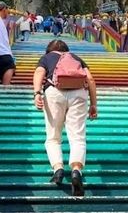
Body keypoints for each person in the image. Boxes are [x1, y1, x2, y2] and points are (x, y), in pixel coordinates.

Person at [32, 39, 98, 198]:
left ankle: (58, 169)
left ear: (49, 50)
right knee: (77, 137)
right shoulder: (75, 58)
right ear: (66, 50)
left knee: (53, 136)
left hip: (54, 92)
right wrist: (93, 104)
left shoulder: (47, 58)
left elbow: (39, 73)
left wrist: (37, 93)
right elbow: (90, 79)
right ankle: (76, 170)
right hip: (79, 93)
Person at [0, 1, 15, 85]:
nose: (8, 13)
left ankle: (4, 85)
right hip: (2, 52)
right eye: (7, 10)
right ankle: (5, 86)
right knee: (10, 66)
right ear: (4, 10)